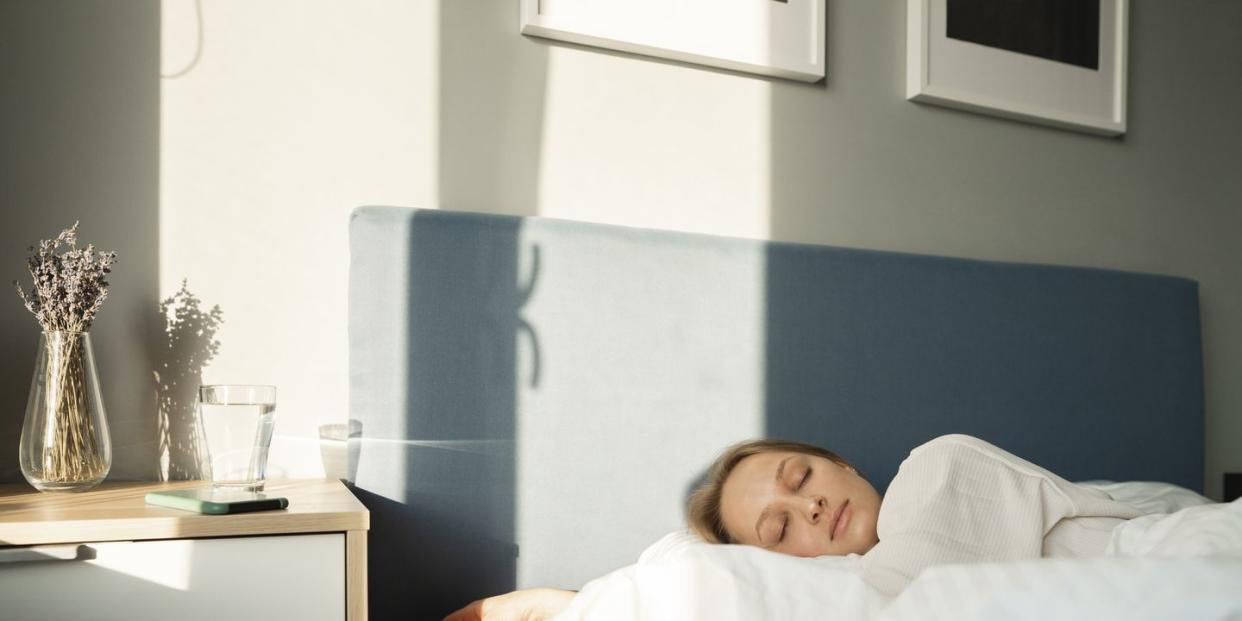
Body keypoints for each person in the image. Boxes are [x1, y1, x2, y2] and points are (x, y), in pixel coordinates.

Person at [444, 434, 1141, 619]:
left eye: (802, 478)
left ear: (836, 461)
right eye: (778, 531)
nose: (808, 507)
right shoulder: (845, 584)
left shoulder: (938, 466)